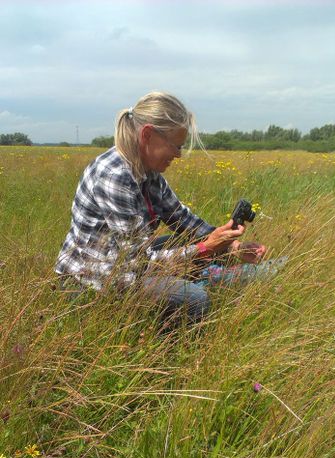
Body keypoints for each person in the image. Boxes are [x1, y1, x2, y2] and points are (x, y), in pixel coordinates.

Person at [55, 91, 280, 324]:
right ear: (148, 135)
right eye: (176, 146)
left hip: (123, 262)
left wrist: (232, 245)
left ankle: (222, 272)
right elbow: (137, 263)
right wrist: (205, 250)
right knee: (194, 299)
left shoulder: (147, 171)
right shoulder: (115, 176)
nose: (179, 155)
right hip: (93, 282)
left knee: (194, 243)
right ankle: (169, 349)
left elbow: (182, 219)